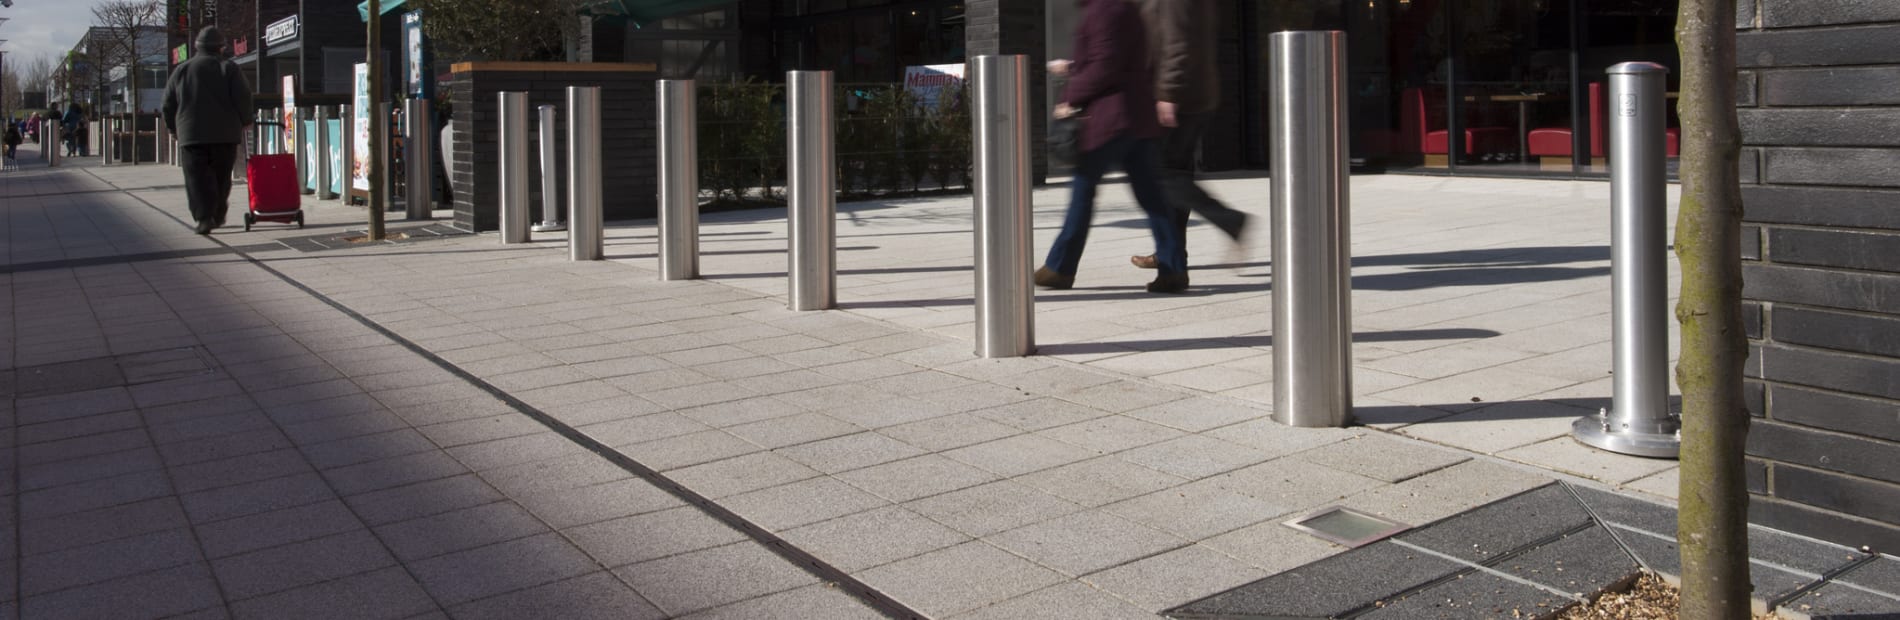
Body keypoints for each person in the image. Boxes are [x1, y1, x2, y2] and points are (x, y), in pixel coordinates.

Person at [1035, 0, 1189, 294]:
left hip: (1112, 118)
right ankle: (1173, 269)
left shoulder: (1105, 8)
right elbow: (1116, 59)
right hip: (1136, 117)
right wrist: (1072, 67)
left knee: (1083, 190)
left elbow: (1106, 64)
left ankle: (1059, 268)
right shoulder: (1123, 8)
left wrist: (1070, 97)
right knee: (1152, 197)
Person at [1130, 0, 1249, 271]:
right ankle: (1171, 254)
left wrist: (1169, 92)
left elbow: (1179, 41)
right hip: (1190, 94)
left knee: (1162, 175)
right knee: (1175, 174)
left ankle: (1229, 219)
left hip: (1180, 98)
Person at [162, 26, 255, 234]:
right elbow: (243, 96)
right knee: (221, 176)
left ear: (197, 47)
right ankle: (219, 212)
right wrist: (246, 119)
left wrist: (172, 128)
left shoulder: (182, 70)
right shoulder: (229, 68)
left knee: (196, 178)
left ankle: (204, 217)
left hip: (191, 135)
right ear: (221, 48)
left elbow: (167, 103)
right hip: (225, 135)